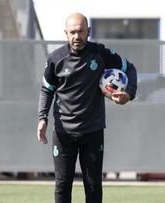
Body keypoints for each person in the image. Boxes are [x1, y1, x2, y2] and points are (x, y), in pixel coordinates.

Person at [36, 12, 137, 203]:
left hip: (93, 131)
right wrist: (42, 118)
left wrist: (129, 94)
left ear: (88, 31)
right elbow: (46, 90)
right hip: (63, 133)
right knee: (62, 186)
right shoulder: (55, 59)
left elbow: (130, 68)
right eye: (72, 32)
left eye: (81, 31)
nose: (76, 36)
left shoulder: (99, 54)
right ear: (66, 33)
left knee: (93, 187)